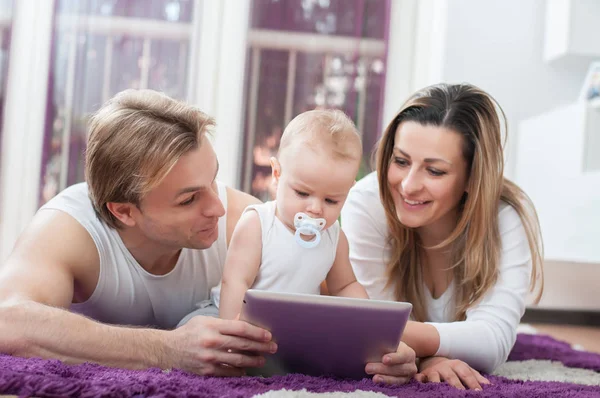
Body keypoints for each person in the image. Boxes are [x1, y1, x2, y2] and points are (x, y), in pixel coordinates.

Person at [0, 89, 277, 377]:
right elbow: (8, 319)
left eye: (213, 181)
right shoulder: (70, 228)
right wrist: (167, 349)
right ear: (124, 212)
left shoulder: (243, 222)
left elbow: (320, 300)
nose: (218, 208)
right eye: (188, 200)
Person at [341, 83, 544, 390]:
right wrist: (429, 358)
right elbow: (376, 327)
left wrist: (403, 341)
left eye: (434, 171)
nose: (408, 186)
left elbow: (493, 341)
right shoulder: (368, 201)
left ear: (471, 178)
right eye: (401, 161)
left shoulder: (505, 216)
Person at [216, 109, 369, 321]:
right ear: (277, 174)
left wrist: (368, 318)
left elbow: (344, 286)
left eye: (331, 200)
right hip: (231, 316)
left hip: (289, 328)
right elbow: (235, 282)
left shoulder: (335, 238)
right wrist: (231, 333)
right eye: (302, 193)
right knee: (195, 330)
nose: (315, 208)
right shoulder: (258, 224)